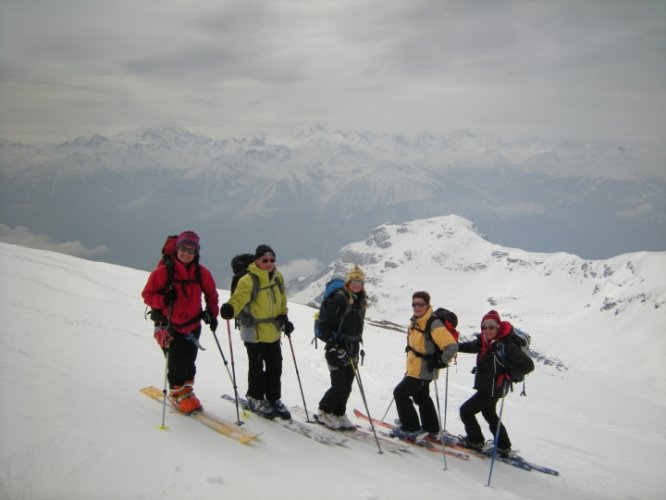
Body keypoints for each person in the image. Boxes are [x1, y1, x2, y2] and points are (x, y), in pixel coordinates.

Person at [142, 230, 219, 414]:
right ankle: (177, 394)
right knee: (177, 362)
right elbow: (147, 295)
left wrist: (212, 314)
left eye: (191, 251)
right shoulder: (164, 272)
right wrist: (163, 300)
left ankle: (187, 391)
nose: (186, 254)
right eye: (183, 249)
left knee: (190, 360)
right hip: (169, 326)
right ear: (177, 249)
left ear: (196, 253)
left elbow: (211, 293)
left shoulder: (201, 273)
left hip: (193, 325)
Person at [219, 244, 294, 420]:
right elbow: (238, 299)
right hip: (254, 332)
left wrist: (284, 317)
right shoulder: (248, 280)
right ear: (257, 261)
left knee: (276, 367)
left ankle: (273, 399)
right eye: (265, 260)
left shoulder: (277, 277)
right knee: (257, 368)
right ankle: (255, 397)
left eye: (272, 260)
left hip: (273, 332)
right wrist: (230, 308)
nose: (269, 263)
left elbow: (282, 298)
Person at [457, 310, 534, 456]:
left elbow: (528, 365)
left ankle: (476, 441)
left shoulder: (506, 345)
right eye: (484, 327)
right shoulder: (485, 341)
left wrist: (508, 375)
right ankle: (503, 445)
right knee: (489, 413)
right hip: (491, 387)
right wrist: (455, 347)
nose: (487, 330)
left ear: (498, 327)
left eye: (491, 327)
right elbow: (472, 346)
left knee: (466, 411)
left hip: (492, 388)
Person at [391, 291, 458, 440]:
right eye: (414, 304)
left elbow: (452, 346)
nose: (417, 307)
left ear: (427, 305)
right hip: (416, 368)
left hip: (423, 370)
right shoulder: (416, 321)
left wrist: (441, 361)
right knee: (421, 397)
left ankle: (411, 428)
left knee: (400, 393)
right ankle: (431, 428)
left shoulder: (433, 323)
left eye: (421, 304)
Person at [316, 265, 368, 430]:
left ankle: (339, 413)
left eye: (359, 281)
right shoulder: (340, 298)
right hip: (337, 348)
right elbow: (324, 325)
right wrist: (335, 345)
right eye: (353, 280)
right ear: (348, 281)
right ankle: (324, 411)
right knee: (339, 386)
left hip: (352, 348)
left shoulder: (360, 300)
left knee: (347, 386)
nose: (356, 284)